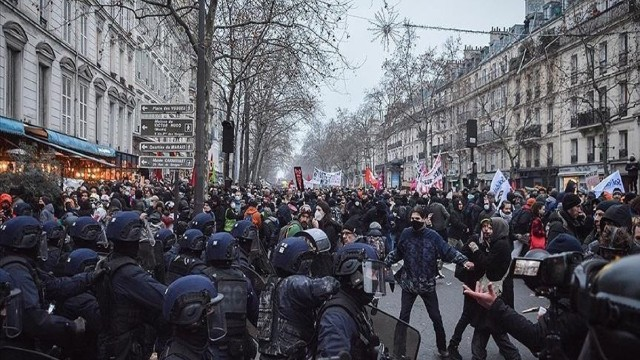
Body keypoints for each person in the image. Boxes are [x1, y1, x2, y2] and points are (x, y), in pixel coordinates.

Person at [463, 235, 589, 359]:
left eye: (555, 268)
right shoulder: (565, 296)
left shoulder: (580, 302)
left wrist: (495, 304)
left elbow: (537, 339)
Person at [385, 206, 474, 358]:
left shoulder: (433, 236)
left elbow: (448, 251)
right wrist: (384, 263)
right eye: (412, 219)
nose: (414, 222)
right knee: (403, 318)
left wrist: (463, 261)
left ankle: (442, 348)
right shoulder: (406, 234)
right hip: (409, 284)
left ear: (425, 219)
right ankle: (398, 350)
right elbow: (398, 253)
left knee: (436, 318)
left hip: (427, 285)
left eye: (417, 219)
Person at [0, 216, 96, 354]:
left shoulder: (21, 265)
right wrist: (70, 326)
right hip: (18, 347)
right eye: (39, 240)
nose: (41, 244)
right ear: (29, 240)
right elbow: (34, 319)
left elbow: (53, 285)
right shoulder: (17, 272)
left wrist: (90, 278)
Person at [95, 211, 169, 360]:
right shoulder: (130, 274)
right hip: (127, 347)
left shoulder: (108, 262)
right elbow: (165, 298)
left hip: (112, 342)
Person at [257, 237, 340, 359]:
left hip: (267, 353)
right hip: (288, 354)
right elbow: (328, 286)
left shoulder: (270, 283)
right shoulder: (293, 283)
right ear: (299, 260)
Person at [314, 243, 386, 358]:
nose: (375, 280)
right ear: (353, 272)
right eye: (372, 274)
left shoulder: (354, 303)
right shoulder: (336, 317)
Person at [466, 217, 521, 360]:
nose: (488, 230)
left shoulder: (500, 245)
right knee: (486, 329)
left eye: (492, 227)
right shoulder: (499, 243)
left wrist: (476, 249)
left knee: (492, 330)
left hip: (494, 294)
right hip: (494, 294)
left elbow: (486, 263)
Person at [203, 232, 258, 360]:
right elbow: (255, 314)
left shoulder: (203, 278)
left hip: (209, 346)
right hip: (236, 347)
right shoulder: (244, 281)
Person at [160, 275, 226, 360]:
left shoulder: (199, 347)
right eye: (209, 308)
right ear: (190, 314)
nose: (213, 312)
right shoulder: (176, 357)